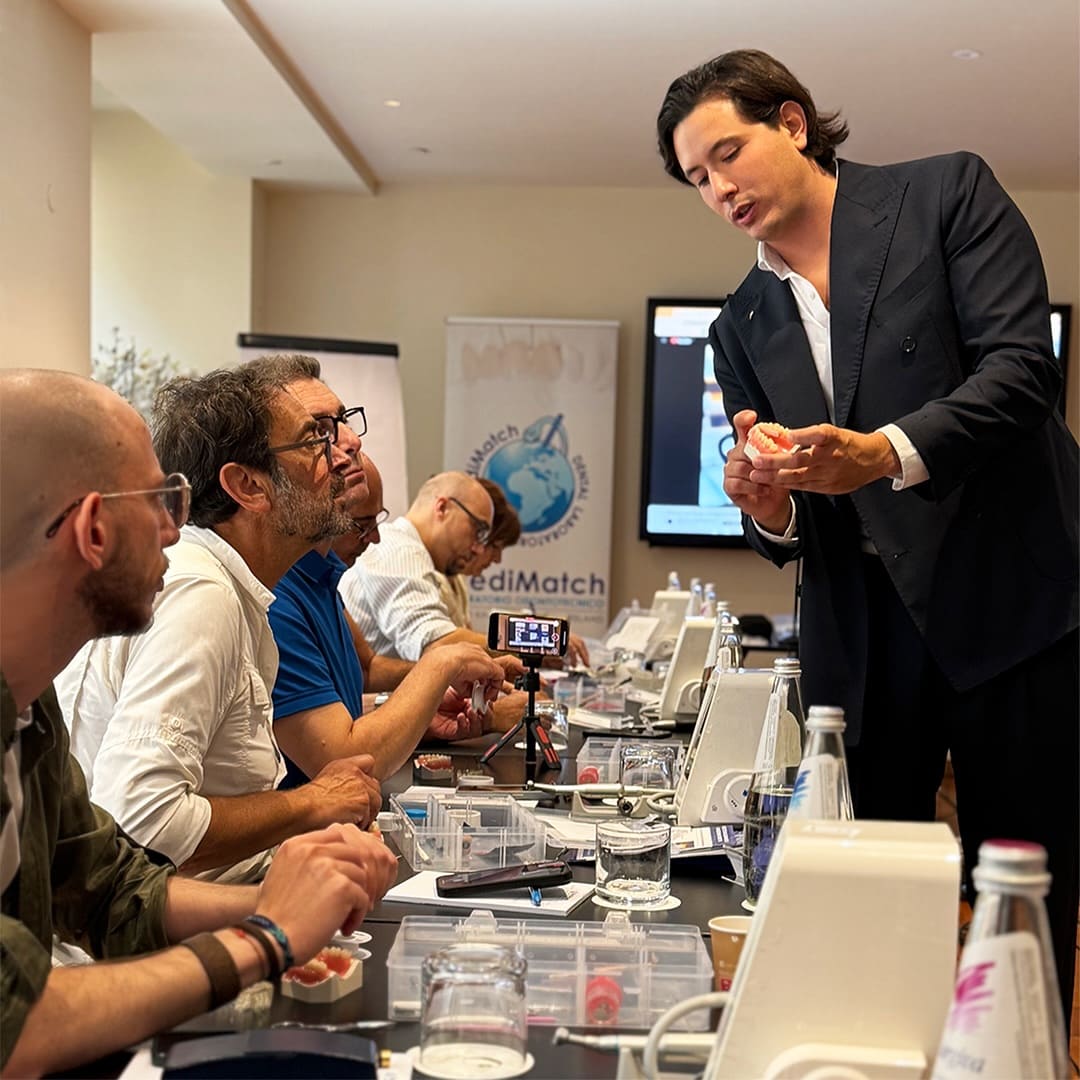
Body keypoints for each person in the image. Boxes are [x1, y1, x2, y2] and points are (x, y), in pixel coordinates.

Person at [657, 48, 1079, 1018]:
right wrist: (766, 503)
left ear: (792, 122)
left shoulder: (944, 197)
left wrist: (883, 451)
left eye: (728, 154)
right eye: (698, 178)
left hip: (1015, 602)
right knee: (869, 897)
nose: (719, 189)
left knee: (1025, 892)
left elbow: (1023, 373)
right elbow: (796, 513)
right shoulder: (739, 324)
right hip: (862, 636)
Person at [0, 369, 396, 1076]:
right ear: (92, 529)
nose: (175, 528)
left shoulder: (32, 709)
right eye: (160, 501)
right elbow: (17, 1020)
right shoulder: (201, 588)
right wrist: (267, 934)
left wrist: (283, 900)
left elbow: (110, 885)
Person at [56, 357, 383, 883]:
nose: (349, 445)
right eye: (317, 436)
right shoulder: (203, 594)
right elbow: (142, 823)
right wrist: (312, 803)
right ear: (249, 486)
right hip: (166, 928)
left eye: (342, 424)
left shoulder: (233, 586)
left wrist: (305, 840)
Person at [268, 393, 522, 787]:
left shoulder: (324, 579)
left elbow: (365, 672)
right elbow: (340, 758)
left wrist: (425, 705)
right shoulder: (278, 595)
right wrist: (442, 668)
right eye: (359, 524)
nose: (373, 539)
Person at [438, 478, 522, 629]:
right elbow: (441, 639)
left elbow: (466, 635)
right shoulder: (423, 575)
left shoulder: (458, 580)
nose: (497, 559)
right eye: (495, 547)